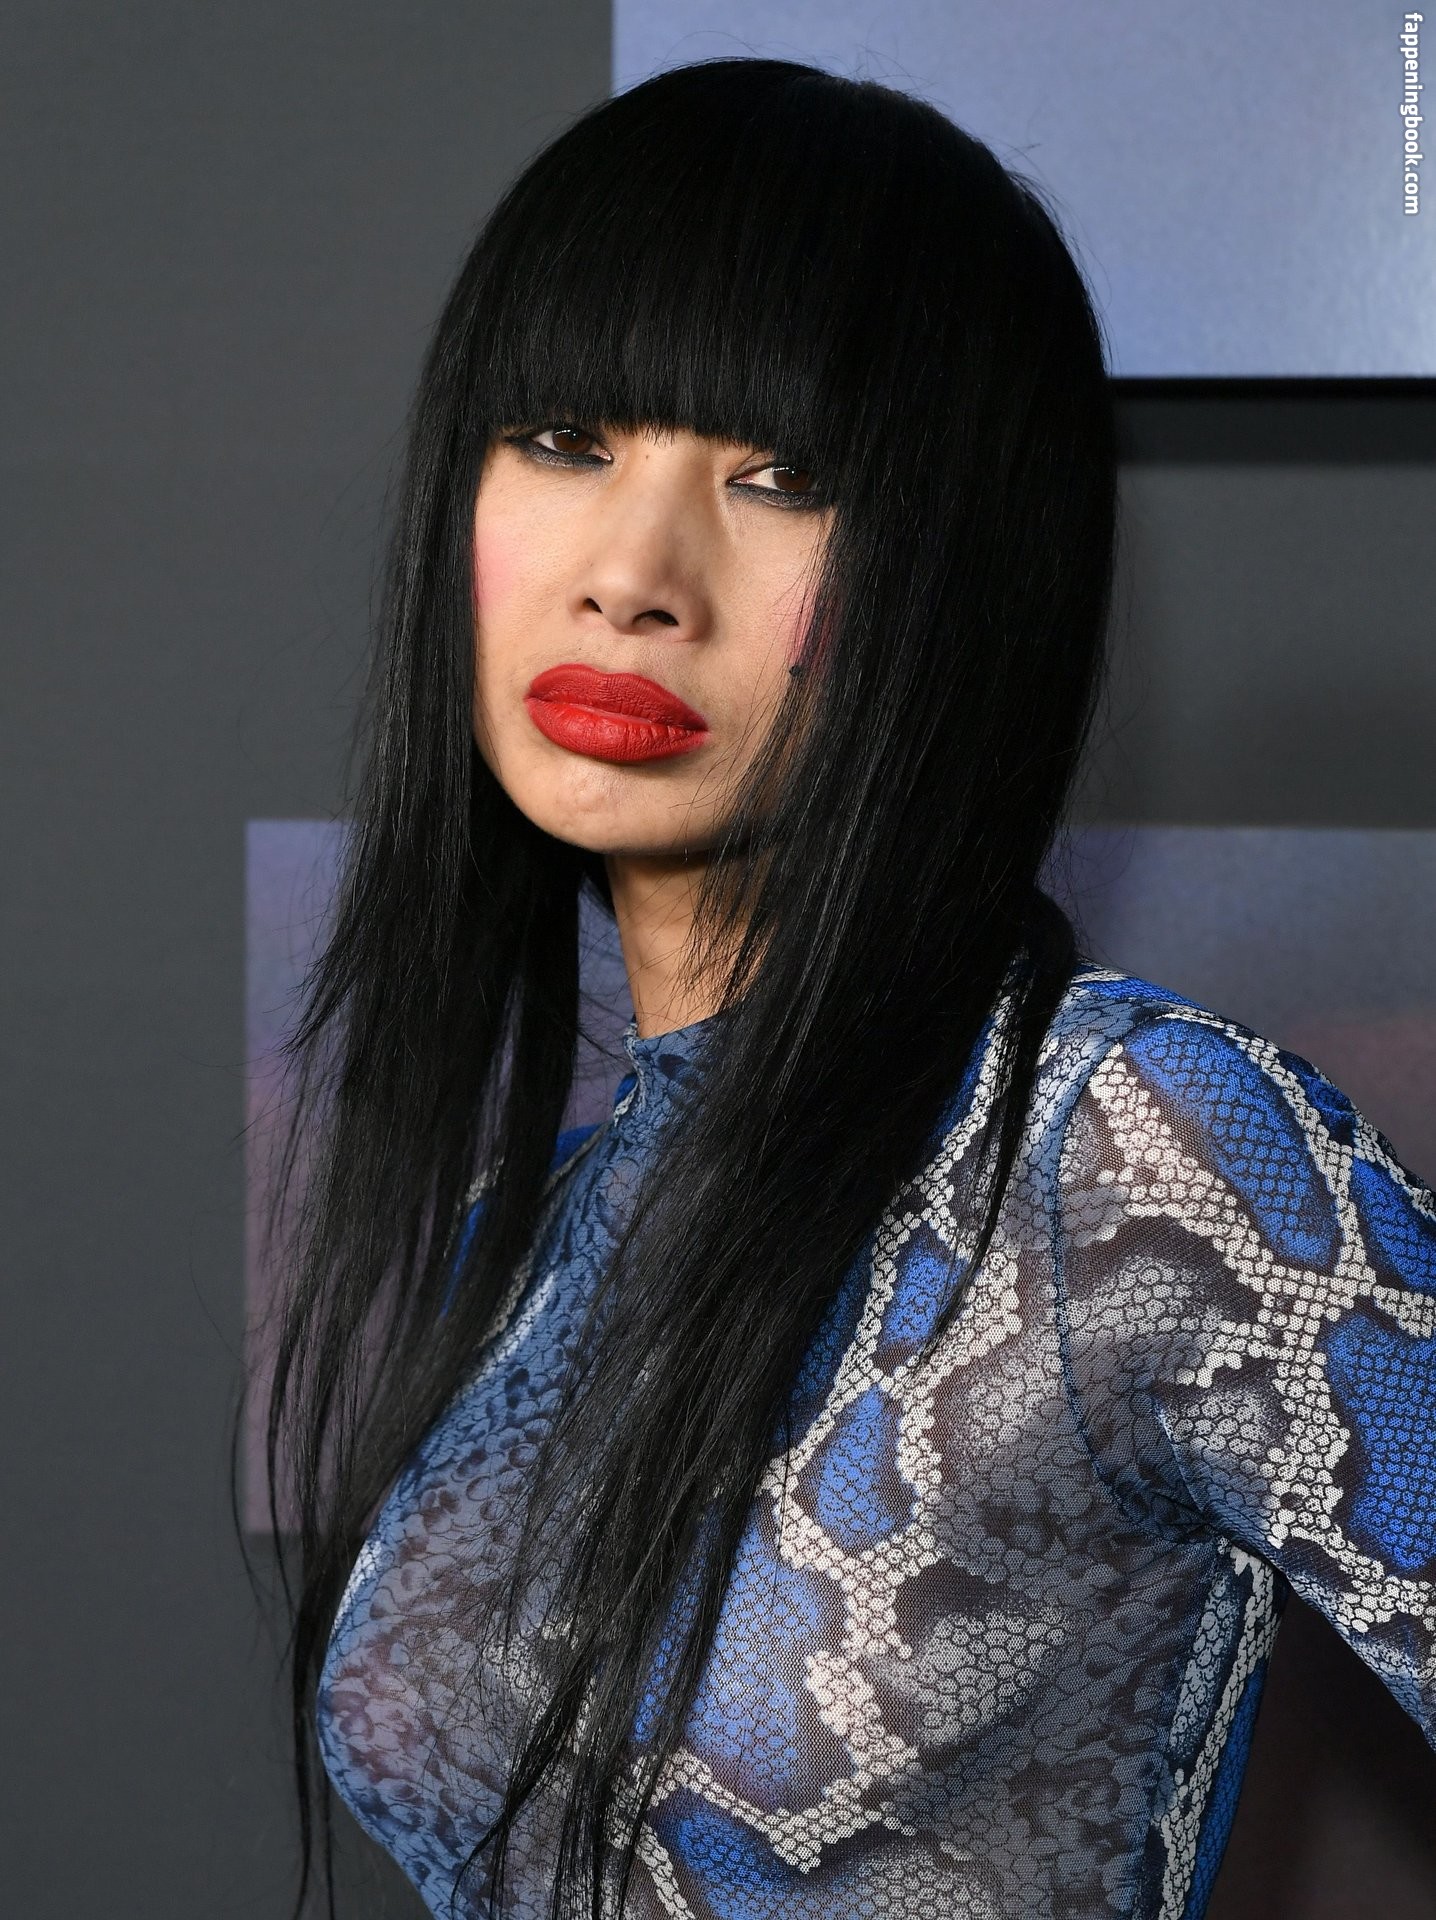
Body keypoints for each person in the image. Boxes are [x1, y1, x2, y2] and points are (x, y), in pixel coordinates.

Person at [258, 56, 1436, 1920]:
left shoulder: (1127, 1152)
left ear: (958, 570)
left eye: (784, 478)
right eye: (564, 439)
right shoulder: (533, 1223)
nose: (634, 576)